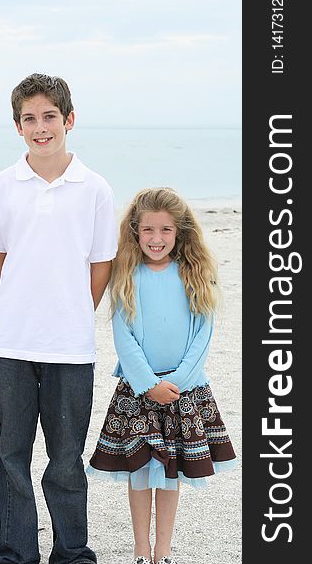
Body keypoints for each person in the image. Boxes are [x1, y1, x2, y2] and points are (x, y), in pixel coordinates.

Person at [0, 73, 118, 564]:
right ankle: (15, 554)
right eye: (30, 119)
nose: (41, 127)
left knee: (65, 460)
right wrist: (25, 304)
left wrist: (70, 311)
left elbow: (101, 265)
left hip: (71, 348)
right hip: (10, 346)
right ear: (17, 127)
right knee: (11, 459)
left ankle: (72, 552)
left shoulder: (95, 188)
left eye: (50, 116)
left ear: (69, 120)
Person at [88, 187, 237, 564]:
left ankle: (163, 552)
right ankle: (141, 551)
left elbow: (204, 332)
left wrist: (180, 380)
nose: (156, 239)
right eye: (148, 230)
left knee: (171, 475)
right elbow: (123, 335)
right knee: (140, 472)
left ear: (180, 232)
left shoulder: (195, 273)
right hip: (138, 392)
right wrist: (148, 383)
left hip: (184, 391)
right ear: (135, 232)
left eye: (165, 231)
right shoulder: (126, 275)